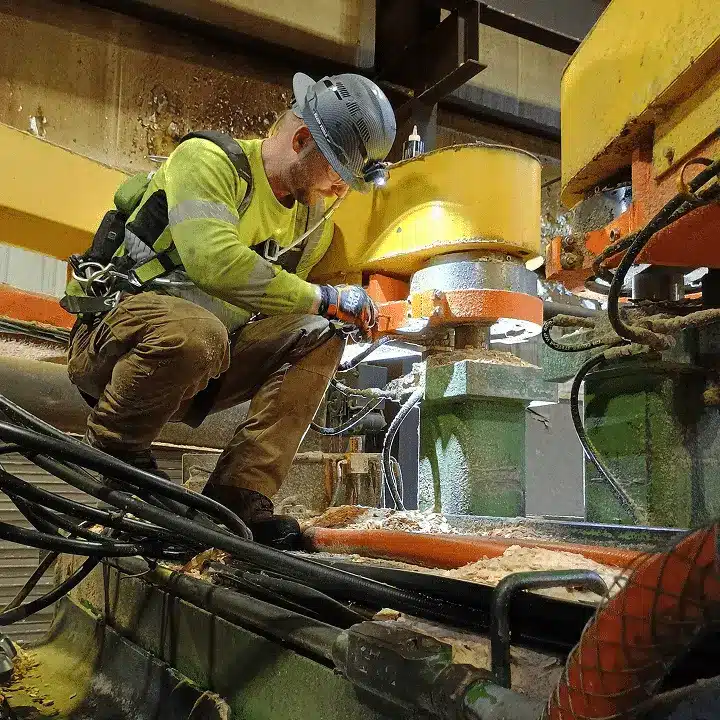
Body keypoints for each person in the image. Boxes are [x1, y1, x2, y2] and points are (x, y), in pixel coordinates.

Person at [62, 72, 397, 548]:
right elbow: (214, 261)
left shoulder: (309, 224)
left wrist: (350, 307)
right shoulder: (209, 161)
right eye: (338, 175)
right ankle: (117, 454)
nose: (339, 192)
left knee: (322, 333)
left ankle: (240, 494)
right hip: (117, 346)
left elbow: (302, 306)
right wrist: (325, 298)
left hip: (205, 360)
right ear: (302, 139)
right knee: (201, 331)